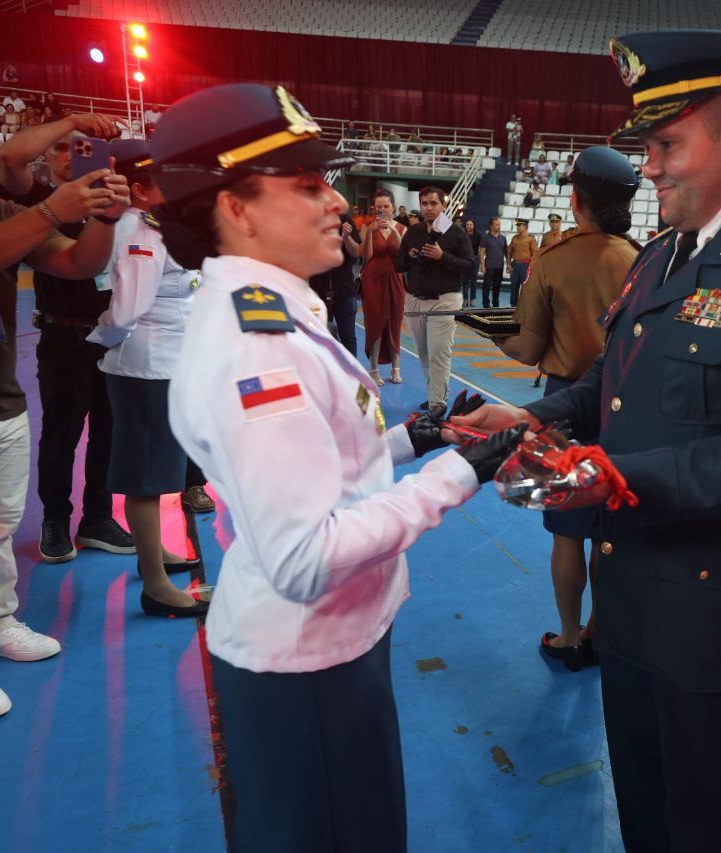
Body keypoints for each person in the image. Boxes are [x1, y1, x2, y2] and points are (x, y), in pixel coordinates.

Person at [452, 30, 721, 851]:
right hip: (631, 593)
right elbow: (617, 386)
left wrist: (617, 478)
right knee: (640, 801)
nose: (649, 166)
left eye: (666, 143)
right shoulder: (663, 257)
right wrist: (540, 417)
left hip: (712, 611)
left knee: (701, 822)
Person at [149, 82, 526, 849]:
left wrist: (415, 438)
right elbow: (304, 553)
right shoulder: (258, 347)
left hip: (332, 643)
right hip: (306, 663)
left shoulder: (277, 308)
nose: (336, 202)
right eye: (309, 185)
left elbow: (321, 458)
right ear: (237, 208)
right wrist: (460, 476)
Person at [0, 155, 131, 721]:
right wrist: (53, 207)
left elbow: (73, 262)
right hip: (54, 346)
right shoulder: (24, 205)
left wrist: (106, 219)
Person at [491, 145, 641, 672]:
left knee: (567, 531)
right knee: (608, 529)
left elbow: (528, 348)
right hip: (625, 406)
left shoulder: (552, 261)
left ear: (575, 200)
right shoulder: (641, 258)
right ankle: (603, 631)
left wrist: (493, 335)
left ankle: (570, 637)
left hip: (564, 403)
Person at [0, 110, 137, 563]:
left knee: (109, 435)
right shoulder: (34, 201)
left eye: (82, 149)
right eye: (60, 147)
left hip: (112, 338)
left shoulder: (115, 206)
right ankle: (56, 520)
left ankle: (97, 518)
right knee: (61, 433)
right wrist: (72, 121)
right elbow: (11, 157)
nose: (69, 156)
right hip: (63, 336)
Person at [84, 139, 205, 617]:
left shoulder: (158, 226)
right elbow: (125, 309)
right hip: (146, 367)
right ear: (138, 188)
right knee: (147, 477)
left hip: (167, 365)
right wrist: (103, 343)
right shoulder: (139, 230)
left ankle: (153, 555)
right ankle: (155, 584)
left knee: (158, 472)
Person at [396, 186, 474, 413]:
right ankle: (436, 394)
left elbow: (470, 267)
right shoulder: (413, 232)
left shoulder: (456, 233)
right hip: (415, 299)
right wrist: (409, 259)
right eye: (424, 204)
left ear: (444, 206)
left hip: (445, 300)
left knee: (439, 352)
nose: (428, 208)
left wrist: (443, 257)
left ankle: (436, 403)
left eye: (433, 203)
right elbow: (397, 264)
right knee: (424, 353)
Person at [359, 187, 405, 386]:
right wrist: (370, 233)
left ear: (393, 207)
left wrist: (393, 230)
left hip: (395, 279)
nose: (383, 209)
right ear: (374, 208)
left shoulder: (402, 228)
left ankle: (396, 368)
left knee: (395, 322)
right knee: (375, 323)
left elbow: (404, 255)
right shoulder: (367, 227)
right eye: (379, 206)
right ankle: (374, 369)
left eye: (386, 206)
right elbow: (366, 256)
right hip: (373, 280)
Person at [307, 211, 363, 361]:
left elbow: (357, 253)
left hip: (344, 290)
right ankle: (324, 375)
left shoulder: (345, 220)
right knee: (320, 336)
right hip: (317, 291)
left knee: (347, 336)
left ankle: (351, 377)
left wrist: (346, 238)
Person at [506, 219, 537, 307]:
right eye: (517, 226)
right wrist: (508, 265)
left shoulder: (531, 239)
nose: (518, 227)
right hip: (515, 265)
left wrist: (531, 268)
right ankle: (512, 308)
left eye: (520, 226)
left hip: (526, 265)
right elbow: (509, 253)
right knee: (513, 288)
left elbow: (535, 254)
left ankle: (524, 309)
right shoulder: (514, 238)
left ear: (525, 227)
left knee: (526, 289)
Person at [462, 218, 481, 306]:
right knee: (465, 281)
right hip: (465, 259)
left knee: (473, 281)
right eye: (467, 224)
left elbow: (481, 249)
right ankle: (465, 299)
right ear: (465, 226)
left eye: (471, 224)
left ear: (474, 226)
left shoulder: (478, 236)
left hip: (475, 259)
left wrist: (480, 261)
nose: (469, 226)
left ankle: (473, 299)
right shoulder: (462, 235)